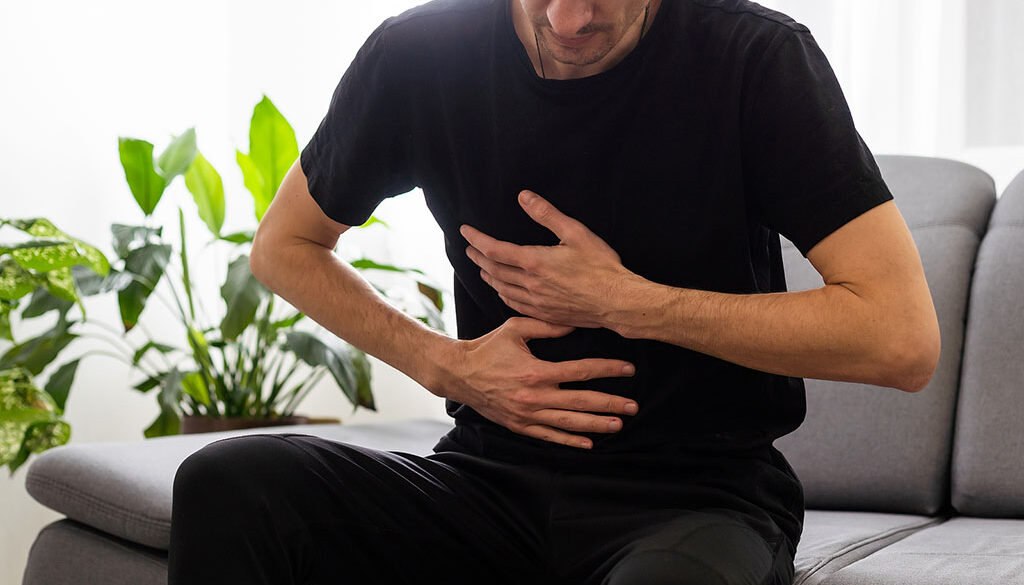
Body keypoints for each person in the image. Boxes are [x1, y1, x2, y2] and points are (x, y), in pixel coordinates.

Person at [168, 0, 941, 584]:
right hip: (484, 480)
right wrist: (443, 362)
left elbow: (901, 337)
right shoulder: (420, 55)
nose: (568, 20)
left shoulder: (755, 58)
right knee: (228, 483)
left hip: (698, 498)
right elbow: (283, 246)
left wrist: (627, 301)